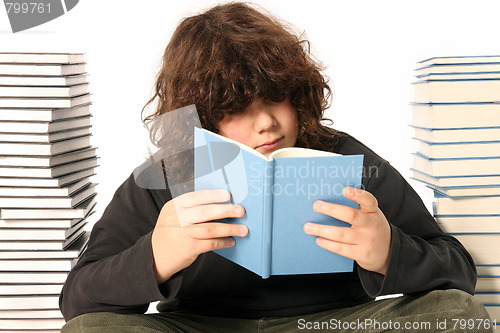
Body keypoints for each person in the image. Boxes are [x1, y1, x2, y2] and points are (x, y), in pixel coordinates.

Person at [60, 2, 492, 332]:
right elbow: (77, 300)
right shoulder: (168, 174)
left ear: (298, 90)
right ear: (202, 117)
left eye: (275, 96)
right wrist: (154, 259)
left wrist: (388, 252)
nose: (265, 122)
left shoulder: (344, 156)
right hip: (202, 328)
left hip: (333, 322)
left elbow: (458, 270)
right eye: (235, 109)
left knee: (459, 314)